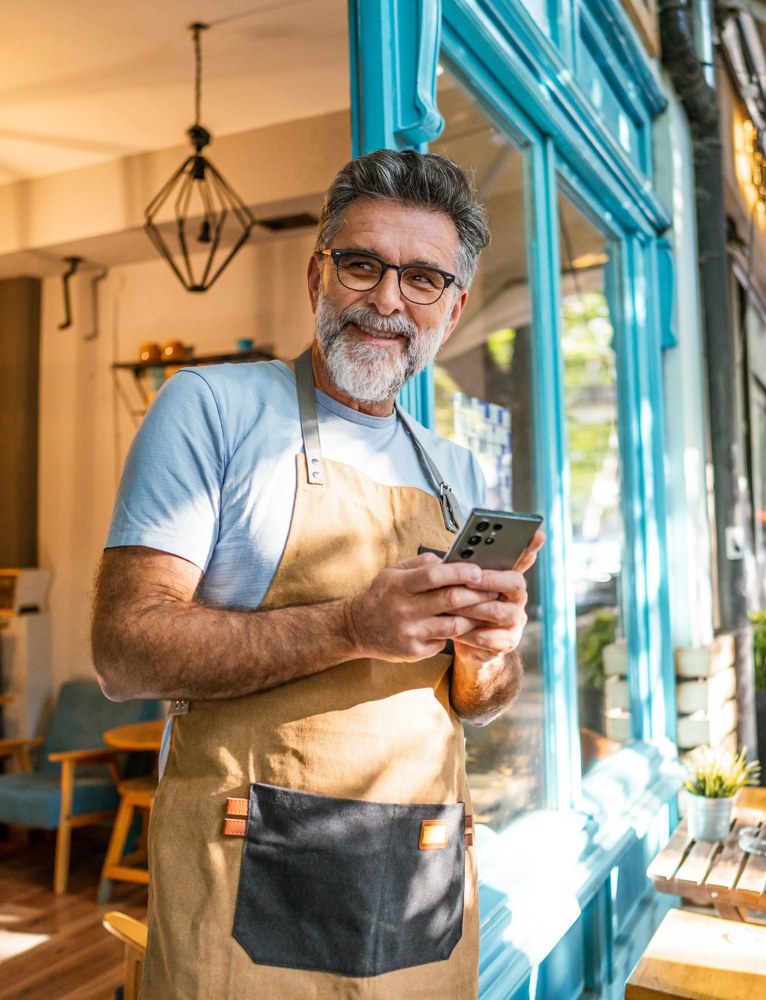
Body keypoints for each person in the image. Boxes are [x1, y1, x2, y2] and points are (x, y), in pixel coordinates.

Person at [91, 149, 545, 999]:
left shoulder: (454, 470)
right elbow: (123, 652)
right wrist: (349, 627)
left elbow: (478, 702)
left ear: (451, 310)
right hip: (244, 900)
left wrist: (491, 654)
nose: (384, 299)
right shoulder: (211, 407)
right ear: (317, 274)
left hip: (420, 888)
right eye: (363, 264)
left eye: (421, 279)